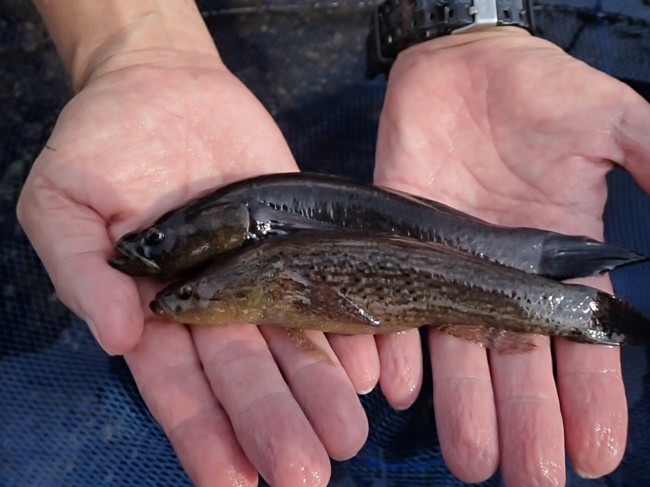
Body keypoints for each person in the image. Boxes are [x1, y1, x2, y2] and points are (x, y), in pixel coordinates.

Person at [16, 1, 650, 486]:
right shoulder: (253, 249)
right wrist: (130, 45)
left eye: (160, 240)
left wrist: (470, 19)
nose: (154, 256)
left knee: (506, 265)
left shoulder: (260, 249)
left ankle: (564, 288)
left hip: (385, 104)